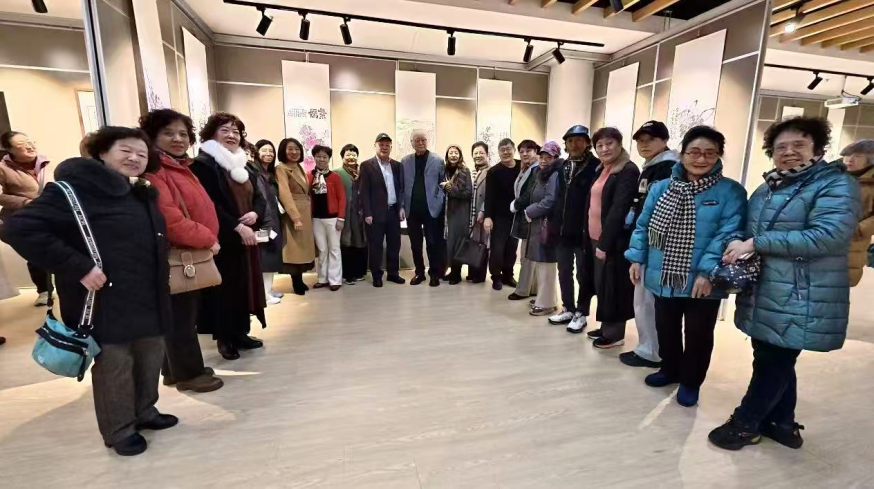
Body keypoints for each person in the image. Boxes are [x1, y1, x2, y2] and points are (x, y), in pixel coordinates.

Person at [2, 126, 177, 456]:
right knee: (115, 362)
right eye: (126, 150)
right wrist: (78, 266)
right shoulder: (72, 190)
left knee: (150, 353)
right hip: (104, 296)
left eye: (141, 153)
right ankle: (119, 429)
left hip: (147, 292)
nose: (135, 158)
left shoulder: (139, 191)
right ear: (101, 153)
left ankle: (145, 410)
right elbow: (19, 228)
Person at [709, 117, 861, 451]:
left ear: (817, 148)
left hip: (802, 291)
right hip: (768, 288)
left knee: (773, 359)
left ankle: (745, 424)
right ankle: (782, 423)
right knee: (772, 355)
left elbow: (828, 236)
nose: (789, 152)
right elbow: (748, 230)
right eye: (781, 147)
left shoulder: (836, 184)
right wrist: (736, 241)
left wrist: (756, 243)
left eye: (798, 145)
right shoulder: (768, 188)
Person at [626, 126, 747, 407]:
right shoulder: (661, 187)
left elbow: (729, 233)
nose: (701, 159)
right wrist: (637, 258)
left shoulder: (730, 191)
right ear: (682, 154)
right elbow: (643, 226)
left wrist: (706, 272)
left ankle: (691, 381)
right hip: (662, 272)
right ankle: (670, 369)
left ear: (718, 156)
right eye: (694, 152)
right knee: (665, 327)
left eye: (709, 153)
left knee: (698, 334)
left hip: (703, 279)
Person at [140, 109, 223, 393]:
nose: (177, 139)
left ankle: (172, 370)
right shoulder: (156, 171)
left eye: (183, 134)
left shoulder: (178, 166)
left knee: (180, 314)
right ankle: (190, 374)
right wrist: (208, 238)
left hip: (190, 250)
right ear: (152, 137)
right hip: (179, 253)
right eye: (168, 133)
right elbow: (171, 220)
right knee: (181, 318)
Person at [190, 112, 267, 361]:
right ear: (212, 134)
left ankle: (241, 332)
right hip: (223, 238)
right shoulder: (203, 165)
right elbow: (208, 204)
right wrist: (236, 226)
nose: (231, 135)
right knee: (223, 289)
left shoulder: (245, 164)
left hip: (247, 237)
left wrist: (256, 213)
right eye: (225, 130)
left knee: (244, 286)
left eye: (236, 131)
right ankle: (225, 338)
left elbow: (260, 196)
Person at [620, 121, 680, 368]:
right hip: (645, 242)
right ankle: (650, 348)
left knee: (647, 301)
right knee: (644, 300)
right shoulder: (653, 167)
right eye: (640, 140)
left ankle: (651, 351)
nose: (644, 145)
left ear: (664, 141)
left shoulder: (667, 169)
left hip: (656, 247)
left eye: (650, 139)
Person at [585, 127, 639, 349]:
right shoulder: (603, 168)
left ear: (619, 144)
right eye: (599, 145)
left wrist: (605, 242)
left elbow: (619, 208)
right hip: (595, 236)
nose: (604, 149)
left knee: (614, 287)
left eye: (609, 144)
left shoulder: (627, 170)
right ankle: (606, 326)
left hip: (613, 241)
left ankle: (615, 334)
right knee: (602, 284)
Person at [549, 125, 599, 334]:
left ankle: (582, 312)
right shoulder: (563, 166)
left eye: (579, 140)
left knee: (583, 273)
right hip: (563, 229)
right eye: (570, 141)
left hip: (583, 230)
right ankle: (568, 308)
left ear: (587, 143)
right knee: (563, 271)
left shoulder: (596, 166)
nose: (574, 144)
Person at [0, 131, 52, 306]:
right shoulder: (3, 168)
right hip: (23, 218)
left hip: (50, 215)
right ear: (9, 150)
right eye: (22, 144)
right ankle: (44, 290)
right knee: (35, 251)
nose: (30, 146)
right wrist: (25, 202)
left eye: (30, 142)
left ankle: (57, 288)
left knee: (55, 250)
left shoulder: (47, 163)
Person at [359, 133, 406, 287]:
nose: (384, 148)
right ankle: (376, 275)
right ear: (375, 146)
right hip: (375, 213)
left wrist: (401, 207)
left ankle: (393, 273)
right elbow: (364, 191)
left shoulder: (397, 166)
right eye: (381, 145)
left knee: (394, 244)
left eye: (387, 145)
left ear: (391, 147)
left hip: (393, 211)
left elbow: (401, 189)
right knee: (376, 246)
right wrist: (367, 213)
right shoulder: (367, 165)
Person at [402, 130, 446, 287]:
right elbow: (401, 186)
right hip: (412, 210)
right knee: (415, 244)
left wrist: (439, 201)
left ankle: (434, 273)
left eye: (423, 140)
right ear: (411, 143)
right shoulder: (405, 161)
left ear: (427, 141)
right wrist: (402, 206)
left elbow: (443, 183)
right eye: (417, 140)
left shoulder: (438, 160)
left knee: (432, 243)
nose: (420, 143)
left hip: (431, 209)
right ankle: (419, 273)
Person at [525, 141, 563, 316]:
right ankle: (547, 298)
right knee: (542, 264)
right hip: (540, 223)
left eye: (549, 157)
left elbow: (550, 200)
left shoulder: (554, 175)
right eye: (541, 156)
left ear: (556, 158)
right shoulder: (544, 174)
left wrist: (530, 211)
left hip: (547, 224)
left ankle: (546, 303)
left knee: (546, 264)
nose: (543, 160)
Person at [275, 137, 316, 295]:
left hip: (306, 211)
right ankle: (296, 281)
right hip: (294, 213)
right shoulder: (281, 168)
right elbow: (284, 194)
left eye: (297, 149)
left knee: (303, 247)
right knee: (295, 249)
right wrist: (295, 217)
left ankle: (300, 279)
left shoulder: (299, 167)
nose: (294, 152)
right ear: (283, 151)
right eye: (290, 149)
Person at [484, 138, 521, 291]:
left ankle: (508, 275)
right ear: (498, 153)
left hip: (517, 215)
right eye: (502, 150)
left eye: (508, 149)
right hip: (499, 216)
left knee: (512, 249)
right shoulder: (493, 172)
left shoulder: (522, 166)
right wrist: (488, 216)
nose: (506, 152)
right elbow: (489, 197)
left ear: (514, 150)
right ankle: (496, 277)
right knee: (497, 249)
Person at [250, 139, 283, 303]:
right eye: (264, 150)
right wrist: (267, 222)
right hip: (264, 220)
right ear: (257, 152)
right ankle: (263, 294)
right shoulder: (255, 172)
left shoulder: (269, 174)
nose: (268, 154)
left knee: (272, 255)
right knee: (265, 257)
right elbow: (261, 200)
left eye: (271, 151)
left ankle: (268, 289)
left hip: (273, 218)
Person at [308, 145, 346, 291]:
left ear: (329, 159)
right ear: (314, 158)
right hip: (316, 218)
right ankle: (322, 278)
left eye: (324, 157)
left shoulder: (335, 177)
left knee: (334, 249)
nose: (321, 159)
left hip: (333, 218)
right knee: (322, 249)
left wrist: (341, 218)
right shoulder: (309, 176)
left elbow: (342, 198)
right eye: (319, 156)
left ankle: (335, 280)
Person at [508, 139, 541, 301]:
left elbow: (529, 193)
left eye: (528, 150)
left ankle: (522, 290)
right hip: (525, 215)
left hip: (530, 215)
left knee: (526, 255)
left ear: (536, 152)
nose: (524, 154)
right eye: (521, 151)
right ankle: (532, 288)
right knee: (529, 254)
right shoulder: (527, 168)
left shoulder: (536, 169)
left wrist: (516, 204)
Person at [840, 140, 874, 286]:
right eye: (847, 155)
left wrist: (858, 229)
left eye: (857, 156)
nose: (850, 159)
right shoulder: (831, 176)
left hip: (852, 243)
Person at [441, 144, 473, 285]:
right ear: (447, 155)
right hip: (444, 212)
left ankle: (456, 274)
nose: (453, 155)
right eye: (451, 153)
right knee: (448, 244)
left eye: (456, 153)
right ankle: (450, 270)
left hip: (459, 213)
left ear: (460, 155)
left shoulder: (465, 171)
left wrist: (449, 187)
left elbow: (467, 193)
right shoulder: (443, 170)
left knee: (457, 243)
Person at [336, 144, 368, 285]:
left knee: (361, 241)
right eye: (348, 155)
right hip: (346, 213)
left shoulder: (363, 173)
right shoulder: (337, 173)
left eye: (353, 155)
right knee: (347, 242)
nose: (351, 157)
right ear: (342, 157)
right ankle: (348, 274)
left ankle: (360, 271)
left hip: (361, 213)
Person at [467, 141, 490, 283]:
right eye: (475, 153)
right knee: (473, 242)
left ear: (487, 154)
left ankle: (480, 275)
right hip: (471, 213)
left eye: (481, 152)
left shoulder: (491, 172)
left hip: (482, 213)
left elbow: (491, 195)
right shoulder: (473, 172)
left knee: (482, 243)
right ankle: (472, 272)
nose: (478, 155)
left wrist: (483, 210)